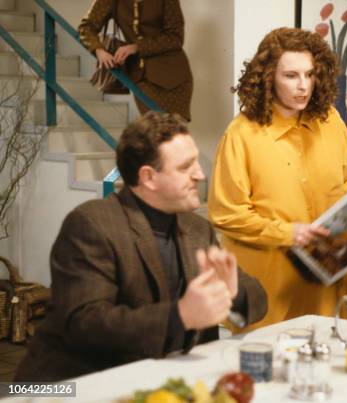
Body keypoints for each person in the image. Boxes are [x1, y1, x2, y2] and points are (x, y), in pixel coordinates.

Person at [14, 112, 267, 381]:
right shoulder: (91, 224)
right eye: (185, 167)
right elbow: (86, 324)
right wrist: (179, 316)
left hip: (159, 378)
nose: (200, 175)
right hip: (70, 386)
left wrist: (234, 292)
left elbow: (258, 299)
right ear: (148, 177)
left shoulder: (196, 228)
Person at [207, 27, 347, 331]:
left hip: (325, 284)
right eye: (291, 76)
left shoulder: (332, 121)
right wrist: (288, 233)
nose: (303, 86)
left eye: (310, 74)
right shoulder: (241, 134)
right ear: (267, 77)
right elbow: (226, 214)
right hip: (268, 291)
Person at [78, 0, 193, 121]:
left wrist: (137, 47)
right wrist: (99, 50)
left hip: (175, 76)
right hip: (143, 77)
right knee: (155, 131)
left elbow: (176, 38)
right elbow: (86, 27)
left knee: (175, 134)